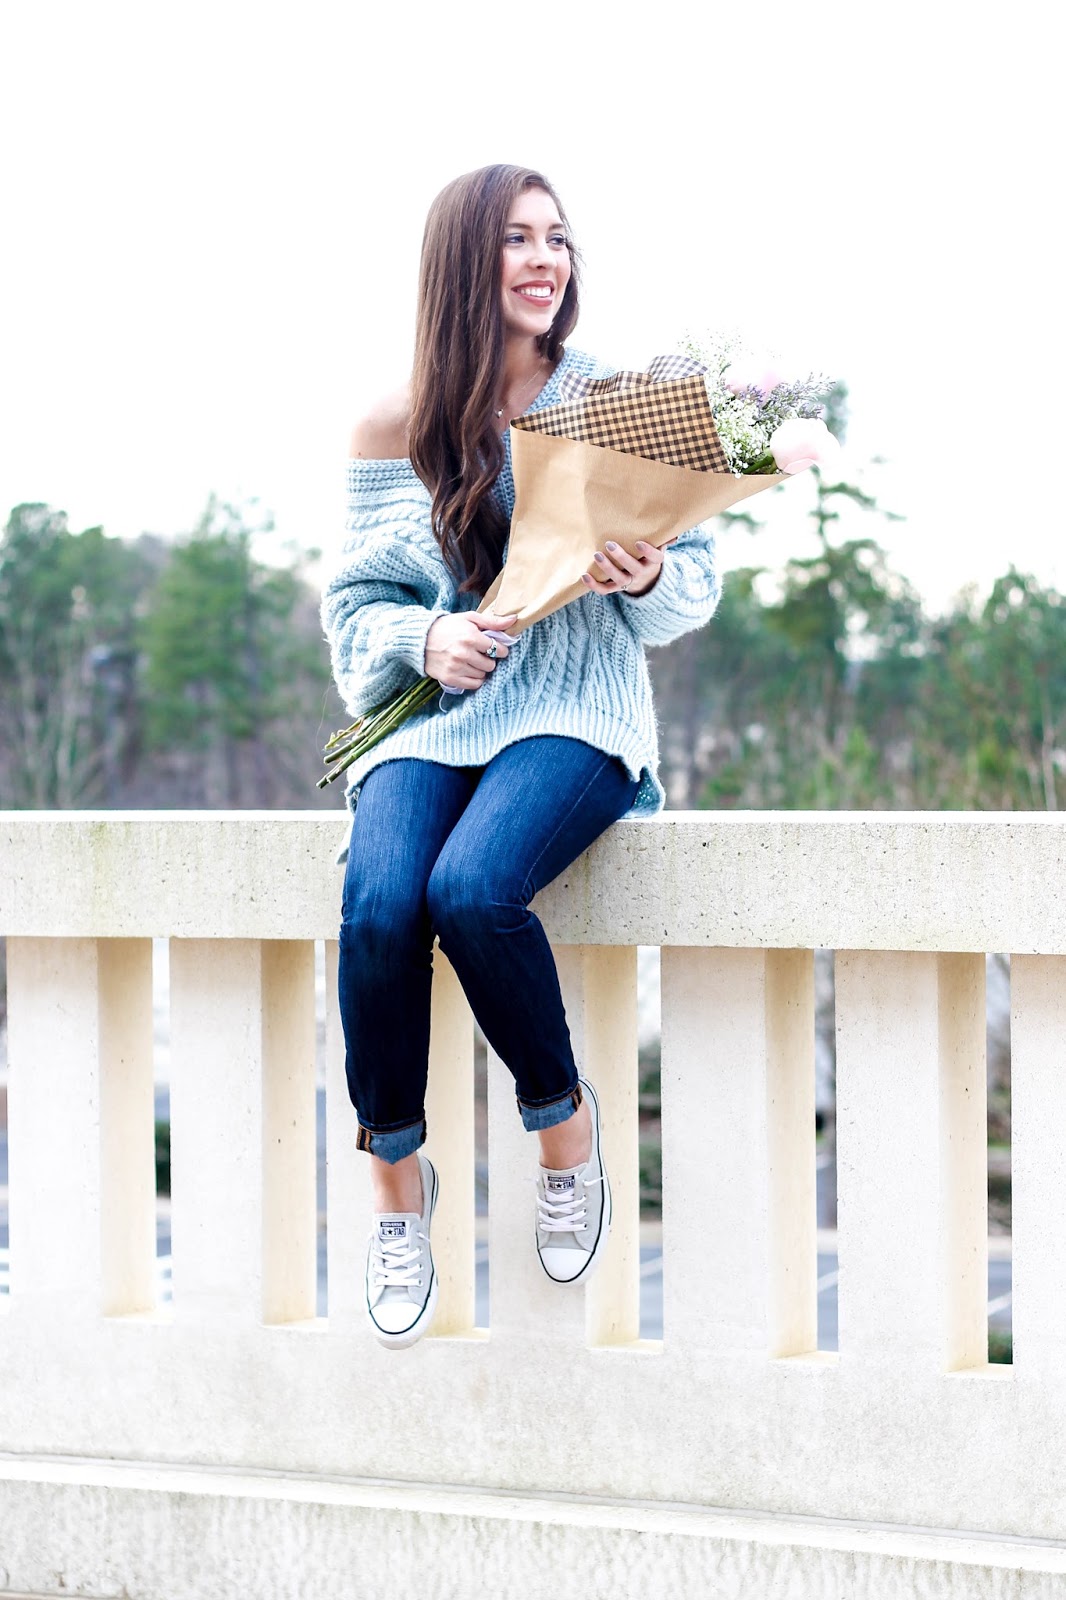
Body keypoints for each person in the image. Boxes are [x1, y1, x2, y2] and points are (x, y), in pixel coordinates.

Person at [321, 163, 721, 1349]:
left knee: (472, 890)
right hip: (438, 716)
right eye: (516, 240)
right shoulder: (394, 427)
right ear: (463, 264)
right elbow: (356, 612)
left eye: (557, 239)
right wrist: (425, 635)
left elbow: (689, 581)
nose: (546, 260)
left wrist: (647, 573)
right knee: (383, 903)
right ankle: (398, 1180)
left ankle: (563, 1126)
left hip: (579, 713)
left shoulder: (613, 396)